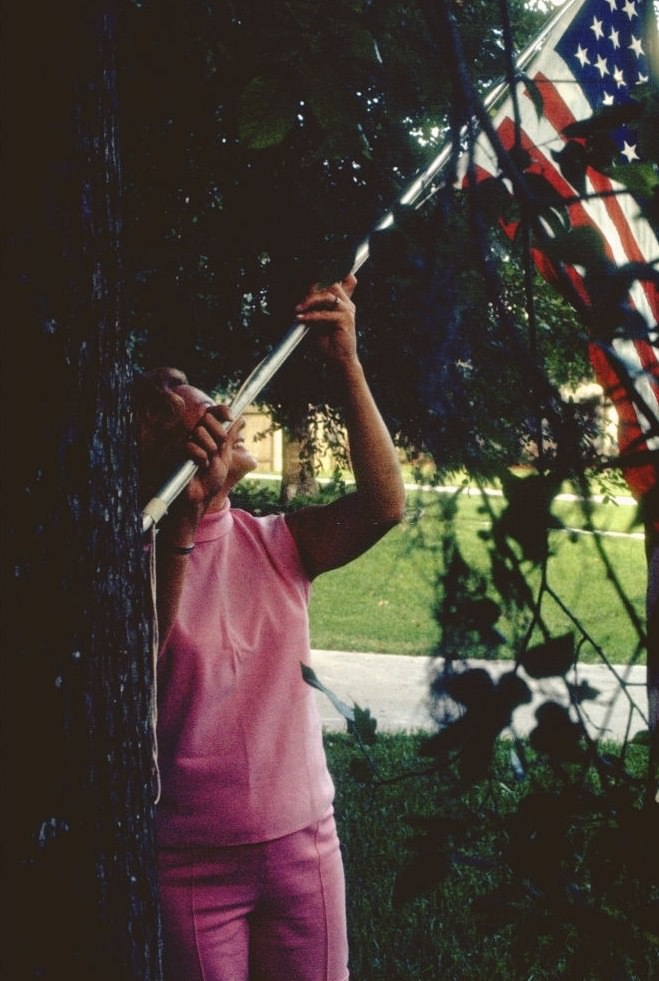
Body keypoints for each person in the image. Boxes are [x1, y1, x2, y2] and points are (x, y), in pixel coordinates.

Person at [134, 273, 406, 981]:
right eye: (170, 394)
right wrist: (181, 524)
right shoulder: (132, 561)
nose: (202, 398)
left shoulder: (278, 542)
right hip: (190, 862)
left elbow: (383, 505)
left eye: (189, 383)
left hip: (303, 843)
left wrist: (344, 360)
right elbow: (142, 658)